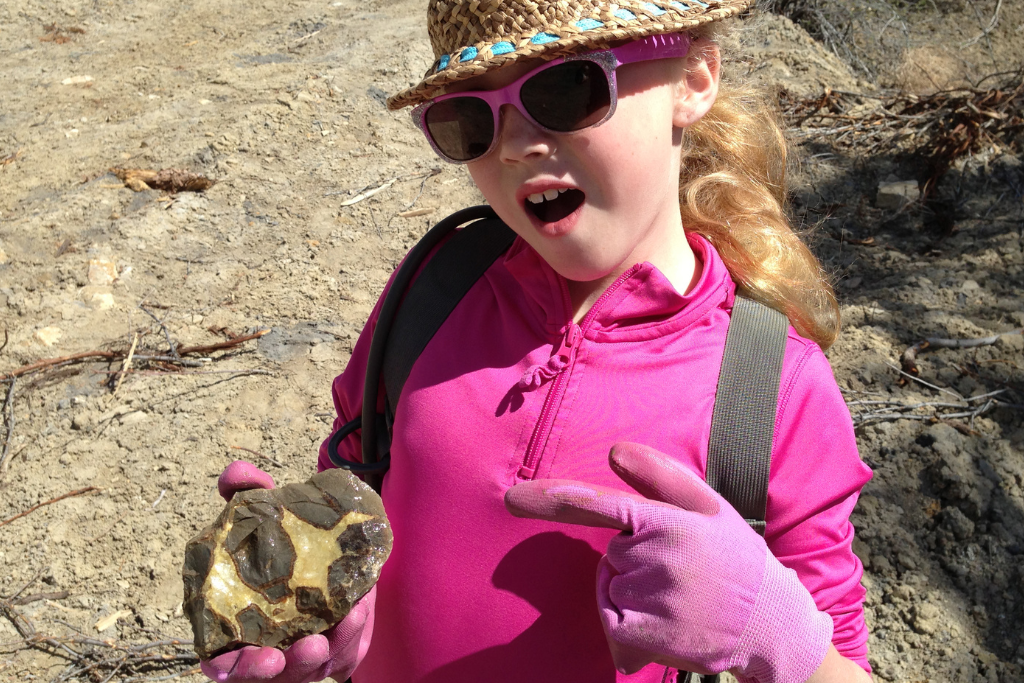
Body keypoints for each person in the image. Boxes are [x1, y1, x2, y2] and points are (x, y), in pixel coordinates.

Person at [202, 0, 874, 681]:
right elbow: (356, 465)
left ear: (695, 77)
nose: (516, 145)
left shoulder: (770, 388)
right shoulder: (437, 287)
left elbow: (839, 658)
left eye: (566, 88)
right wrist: (327, 588)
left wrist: (771, 627)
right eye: (472, 120)